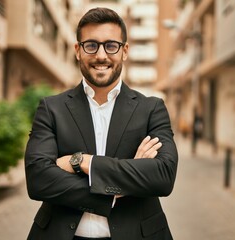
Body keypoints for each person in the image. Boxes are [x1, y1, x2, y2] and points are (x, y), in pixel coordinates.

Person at [25, 7, 178, 240]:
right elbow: (38, 180)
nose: (101, 55)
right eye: (91, 45)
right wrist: (125, 182)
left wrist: (82, 162)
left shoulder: (152, 108)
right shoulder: (51, 108)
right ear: (77, 50)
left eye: (111, 45)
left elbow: (163, 176)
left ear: (124, 51)